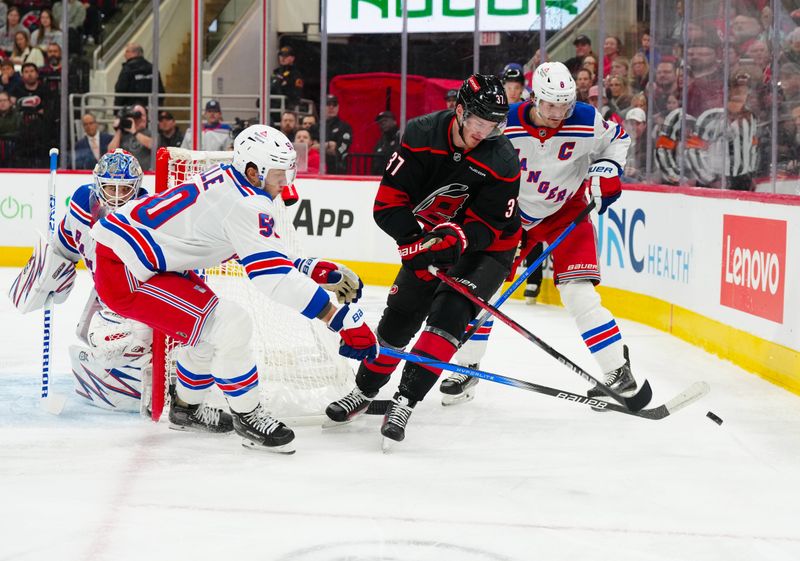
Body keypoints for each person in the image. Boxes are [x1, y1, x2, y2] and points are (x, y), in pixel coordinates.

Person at [90, 125, 378, 453]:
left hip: (141, 260)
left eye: (290, 169)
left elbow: (254, 247)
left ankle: (186, 408)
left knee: (207, 331)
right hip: (126, 271)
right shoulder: (246, 203)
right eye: (280, 172)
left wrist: (309, 267)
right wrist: (338, 319)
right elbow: (272, 277)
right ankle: (248, 414)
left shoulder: (233, 179)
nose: (286, 180)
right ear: (254, 171)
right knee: (230, 323)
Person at [324, 74, 520, 446]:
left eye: (494, 124)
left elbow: (492, 225)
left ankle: (405, 401)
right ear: (460, 111)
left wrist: (454, 240)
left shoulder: (502, 157)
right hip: (432, 237)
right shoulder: (421, 133)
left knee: (449, 317)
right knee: (400, 315)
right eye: (480, 122)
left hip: (487, 249)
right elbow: (388, 204)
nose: (486, 131)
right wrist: (415, 242)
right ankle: (364, 392)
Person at [440, 62, 648, 412]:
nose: (557, 114)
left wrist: (607, 170)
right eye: (550, 105)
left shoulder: (585, 119)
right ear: (534, 97)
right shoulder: (505, 124)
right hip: (511, 216)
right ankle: (467, 364)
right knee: (482, 289)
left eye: (564, 105)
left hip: (565, 212)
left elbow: (618, 140)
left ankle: (618, 371)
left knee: (578, 293)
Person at [8, 150, 158, 414]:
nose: (116, 196)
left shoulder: (148, 213)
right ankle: (116, 373)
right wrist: (48, 275)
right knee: (95, 335)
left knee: (120, 338)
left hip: (142, 295)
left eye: (124, 189)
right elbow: (65, 247)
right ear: (97, 185)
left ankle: (146, 373)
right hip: (107, 293)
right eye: (110, 187)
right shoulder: (81, 204)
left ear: (137, 188)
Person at [113, 42, 165, 108]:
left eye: (127, 51)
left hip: (131, 108)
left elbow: (121, 89)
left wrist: (117, 109)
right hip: (151, 109)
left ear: (135, 53)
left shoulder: (128, 69)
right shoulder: (152, 68)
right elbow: (160, 90)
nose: (124, 55)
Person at [108, 104, 154, 169]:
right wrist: (119, 128)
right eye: (138, 115)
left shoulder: (151, 133)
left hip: (146, 174)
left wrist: (134, 131)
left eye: (143, 115)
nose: (141, 118)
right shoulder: (123, 134)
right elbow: (111, 151)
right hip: (127, 175)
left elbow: (153, 145)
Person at [324, 94, 352, 174]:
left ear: (338, 107)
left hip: (337, 168)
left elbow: (343, 147)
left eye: (334, 104)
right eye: (328, 104)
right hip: (318, 167)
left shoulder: (345, 127)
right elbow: (311, 146)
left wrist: (335, 151)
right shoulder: (317, 126)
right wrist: (328, 145)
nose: (331, 107)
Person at [370, 110, 399, 175]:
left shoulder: (401, 138)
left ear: (394, 122)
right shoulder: (381, 142)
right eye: (380, 122)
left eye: (385, 121)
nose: (382, 124)